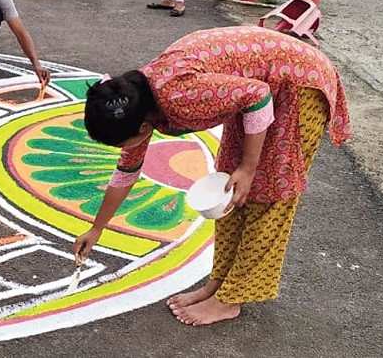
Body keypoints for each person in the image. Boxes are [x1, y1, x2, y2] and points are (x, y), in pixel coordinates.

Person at [74, 26, 351, 326]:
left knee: (269, 188)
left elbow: (258, 96)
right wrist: (96, 229)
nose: (123, 150)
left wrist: (249, 168)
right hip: (256, 88)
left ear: (141, 129)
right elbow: (126, 171)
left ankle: (230, 300)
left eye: (120, 143)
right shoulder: (138, 101)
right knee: (228, 188)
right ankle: (219, 284)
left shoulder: (178, 96)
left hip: (298, 81)